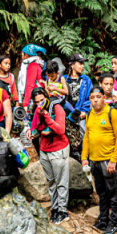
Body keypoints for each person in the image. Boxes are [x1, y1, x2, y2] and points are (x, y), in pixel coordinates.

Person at [82, 87, 117, 234]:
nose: (95, 100)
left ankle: (113, 222)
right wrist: (84, 158)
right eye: (92, 97)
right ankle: (103, 219)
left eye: (98, 97)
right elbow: (86, 138)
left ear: (103, 98)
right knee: (102, 192)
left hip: (108, 160)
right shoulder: (89, 115)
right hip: (94, 161)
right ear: (90, 99)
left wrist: (114, 160)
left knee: (114, 192)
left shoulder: (113, 114)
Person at [27, 88, 71, 224]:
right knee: (51, 181)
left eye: (42, 100)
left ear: (47, 97)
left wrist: (46, 115)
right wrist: (32, 131)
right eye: (37, 102)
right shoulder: (35, 110)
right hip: (44, 149)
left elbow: (60, 129)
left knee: (61, 182)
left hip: (58, 149)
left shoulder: (57, 108)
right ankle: (55, 208)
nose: (39, 104)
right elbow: (36, 126)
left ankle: (63, 211)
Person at [64, 53, 92, 124]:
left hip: (80, 114)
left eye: (83, 64)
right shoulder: (64, 79)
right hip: (65, 114)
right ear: (72, 65)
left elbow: (90, 97)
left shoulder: (86, 80)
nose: (82, 66)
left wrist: (84, 111)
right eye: (80, 63)